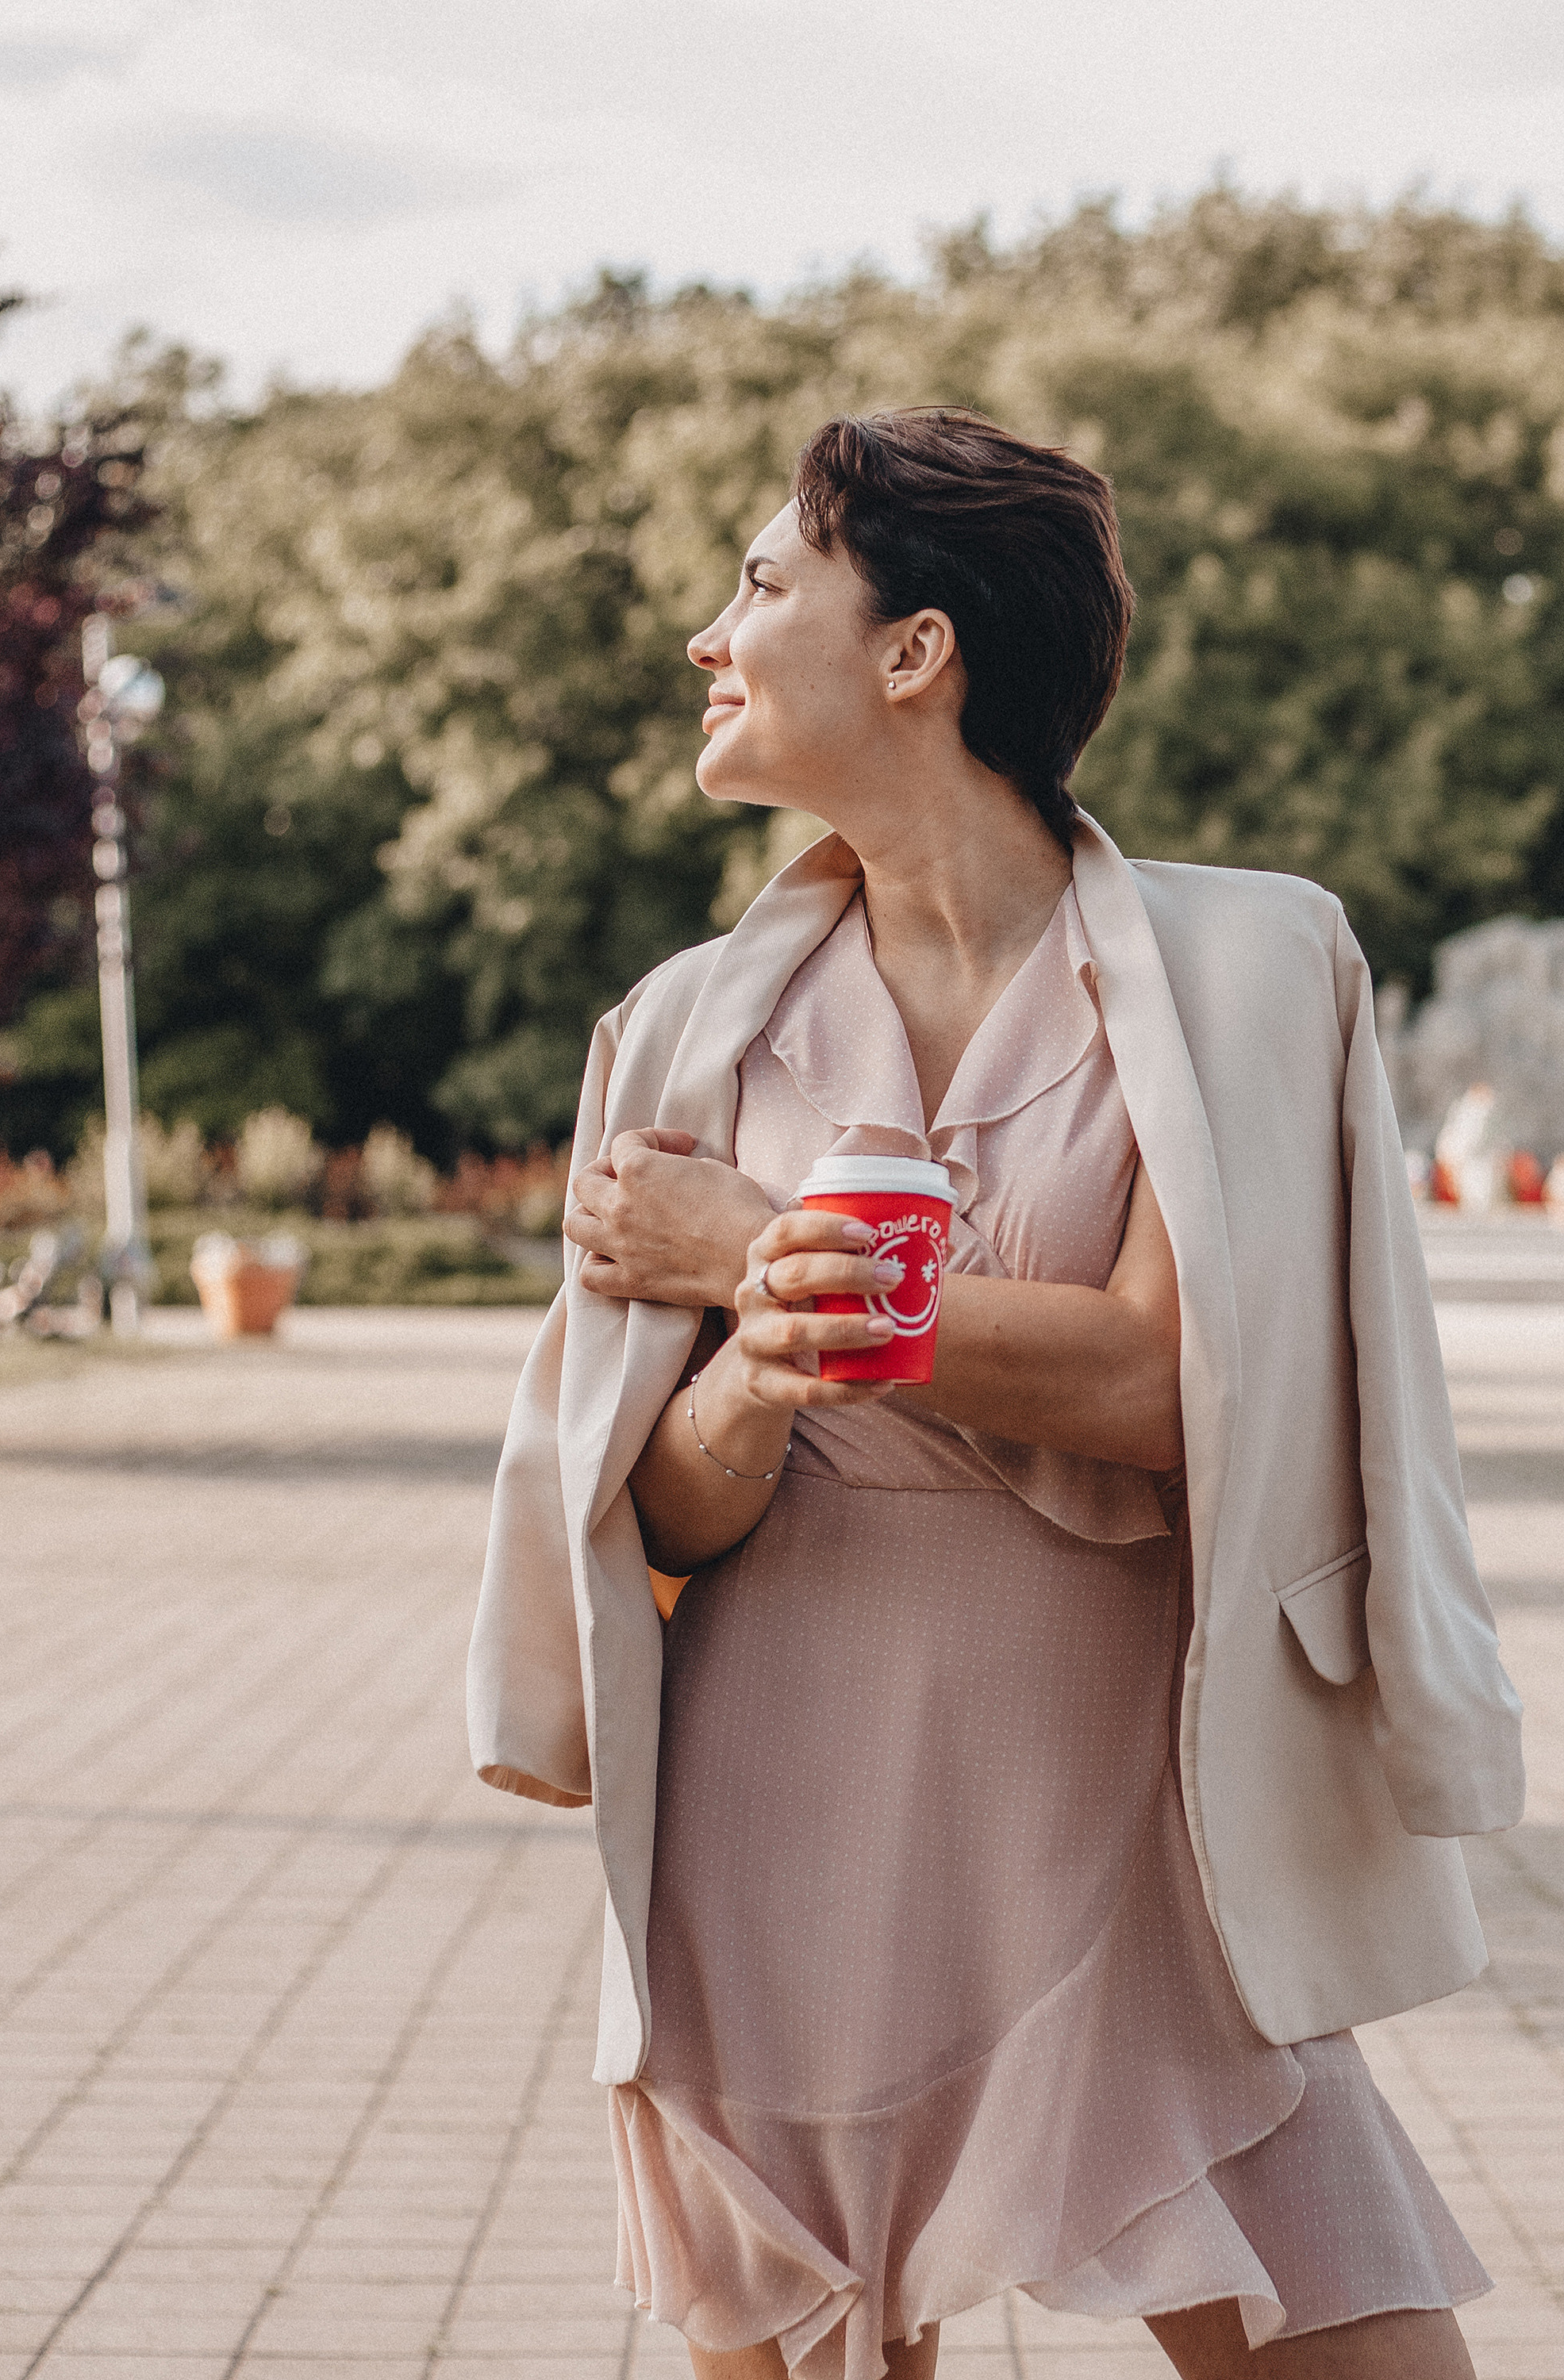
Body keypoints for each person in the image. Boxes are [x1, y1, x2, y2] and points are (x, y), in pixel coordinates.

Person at [467, 410, 1524, 2380]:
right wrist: (757, 1381)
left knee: (1366, 2345)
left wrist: (761, 1252)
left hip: (1139, 1805)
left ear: (913, 651)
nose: (710, 635)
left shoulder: (1254, 964)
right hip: (785, 1797)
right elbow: (674, 1504)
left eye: (761, 583)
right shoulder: (682, 1026)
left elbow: (1158, 1378)